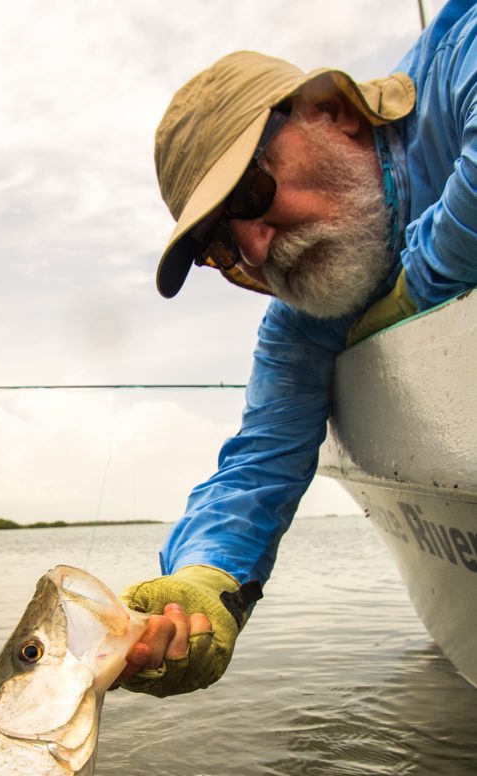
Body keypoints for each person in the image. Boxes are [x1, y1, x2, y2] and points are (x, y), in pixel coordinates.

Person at [118, 0, 477, 697]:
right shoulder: (302, 322)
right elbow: (258, 462)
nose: (254, 246)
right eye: (219, 245)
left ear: (334, 114)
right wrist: (200, 584)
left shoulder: (455, 47)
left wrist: (417, 287)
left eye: (249, 191)